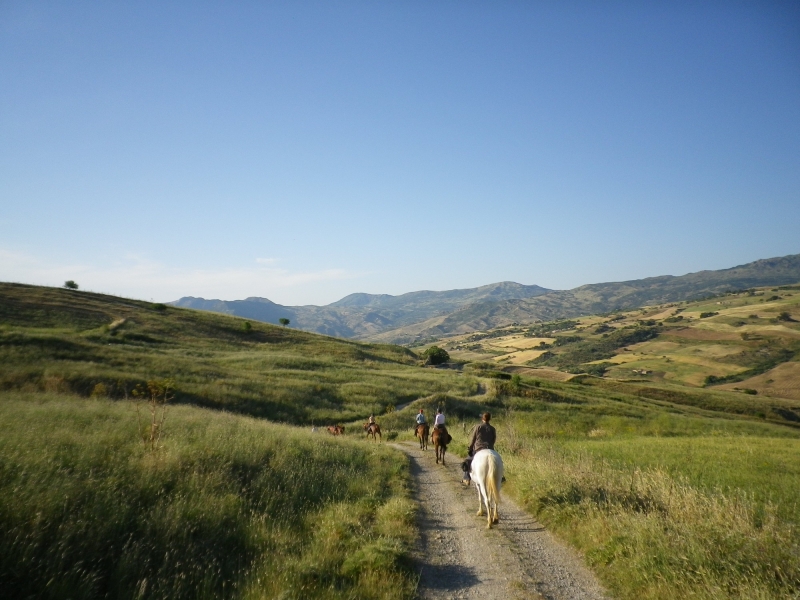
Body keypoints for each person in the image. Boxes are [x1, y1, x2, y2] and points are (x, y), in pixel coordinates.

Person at [461, 412, 496, 485]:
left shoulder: (478, 427)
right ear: (490, 419)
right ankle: (501, 477)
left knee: (467, 461)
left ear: (482, 419)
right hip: (490, 449)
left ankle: (466, 478)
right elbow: (493, 440)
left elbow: (473, 439)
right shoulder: (493, 428)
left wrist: (470, 447)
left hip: (478, 448)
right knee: (497, 462)